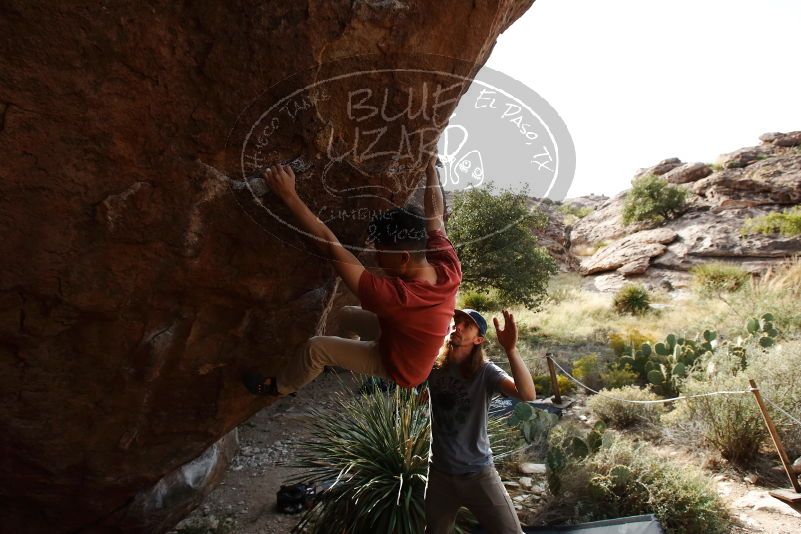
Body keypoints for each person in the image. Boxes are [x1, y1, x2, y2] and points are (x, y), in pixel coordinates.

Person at [244, 155, 461, 396]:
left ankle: (279, 387)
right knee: (347, 314)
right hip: (403, 338)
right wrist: (430, 170)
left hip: (400, 367)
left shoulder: (397, 298)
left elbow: (330, 246)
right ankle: (343, 362)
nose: (376, 256)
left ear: (403, 258)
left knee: (316, 349)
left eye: (381, 250)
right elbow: (436, 218)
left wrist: (288, 195)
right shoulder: (447, 265)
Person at [425, 308, 535, 534]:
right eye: (458, 321)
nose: (459, 326)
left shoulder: (486, 372)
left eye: (467, 325)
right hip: (439, 473)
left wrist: (511, 350)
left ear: (478, 340)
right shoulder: (434, 365)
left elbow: (527, 394)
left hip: (478, 474)